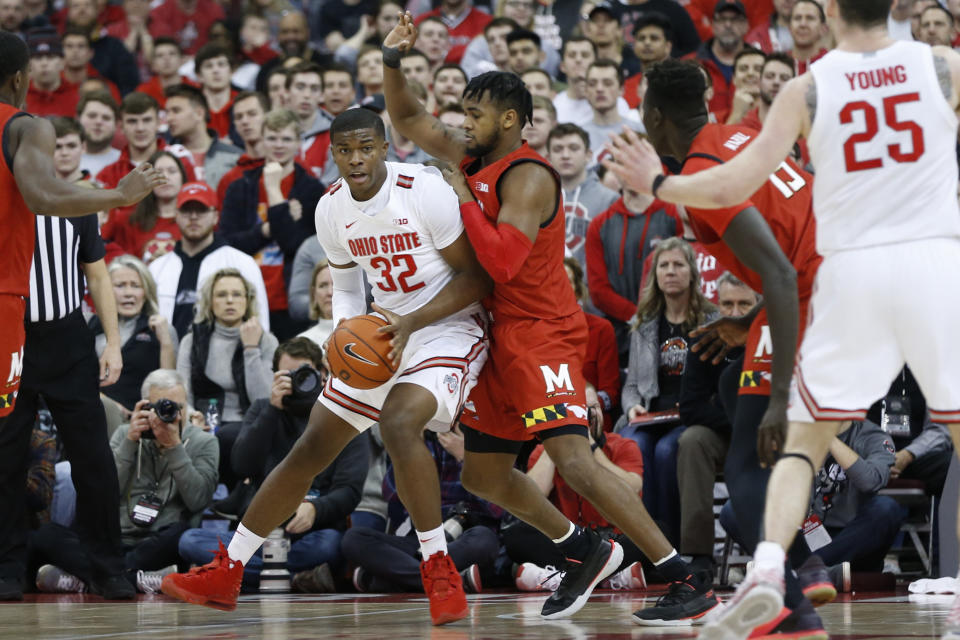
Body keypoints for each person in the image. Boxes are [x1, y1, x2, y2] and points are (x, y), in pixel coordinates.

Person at [381, 14, 717, 626]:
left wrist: (460, 197)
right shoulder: (470, 155)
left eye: (475, 114)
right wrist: (391, 62)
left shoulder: (530, 175)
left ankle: (682, 576)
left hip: (541, 332)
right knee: (484, 474)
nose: (463, 123)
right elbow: (407, 120)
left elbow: (505, 263)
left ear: (508, 119)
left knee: (575, 459)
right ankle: (584, 550)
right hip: (498, 336)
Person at [603, 28, 945, 630]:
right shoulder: (735, 136)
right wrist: (749, 325)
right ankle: (794, 590)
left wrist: (780, 391)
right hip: (845, 273)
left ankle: (793, 592)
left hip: (821, 290)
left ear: (655, 120)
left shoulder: (710, 176)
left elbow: (783, 276)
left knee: (749, 451)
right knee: (743, 404)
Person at [160, 107, 491, 627]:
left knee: (400, 424)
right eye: (345, 150)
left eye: (366, 147)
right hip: (385, 333)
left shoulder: (424, 189)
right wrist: (344, 334)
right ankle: (228, 569)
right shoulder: (331, 207)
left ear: (384, 147)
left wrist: (407, 322)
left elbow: (476, 280)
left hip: (448, 327)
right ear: (332, 154)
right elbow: (345, 287)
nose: (356, 158)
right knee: (310, 445)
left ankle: (438, 567)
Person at [0, 31, 161, 601]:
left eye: (65, 149)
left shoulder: (78, 203)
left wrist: (111, 343)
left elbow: (96, 273)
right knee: (7, 453)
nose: (56, 155)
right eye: (52, 148)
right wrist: (120, 194)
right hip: (15, 328)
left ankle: (106, 564)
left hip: (66, 334)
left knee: (92, 454)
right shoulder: (34, 183)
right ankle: (9, 567)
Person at [178, 337, 368, 591]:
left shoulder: (343, 417)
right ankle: (293, 580)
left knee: (331, 545)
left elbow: (350, 489)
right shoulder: (261, 409)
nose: (297, 381)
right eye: (287, 375)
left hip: (311, 534)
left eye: (304, 373)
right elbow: (242, 466)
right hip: (257, 534)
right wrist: (272, 410)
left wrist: (316, 509)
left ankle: (234, 575)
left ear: (322, 373)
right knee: (190, 540)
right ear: (275, 376)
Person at [32, 369, 219, 595]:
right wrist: (130, 442)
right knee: (46, 534)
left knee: (181, 534)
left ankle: (91, 579)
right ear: (143, 406)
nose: (167, 414)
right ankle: (133, 579)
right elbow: (102, 493)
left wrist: (174, 447)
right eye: (158, 407)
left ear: (186, 407)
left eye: (175, 407)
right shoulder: (124, 434)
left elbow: (197, 499)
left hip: (159, 541)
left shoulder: (204, 442)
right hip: (115, 540)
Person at [617, 238, 718, 544]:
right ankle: (641, 544)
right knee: (633, 445)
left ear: (692, 273)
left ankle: (670, 542)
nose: (671, 272)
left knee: (665, 452)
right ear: (656, 275)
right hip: (652, 414)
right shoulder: (644, 324)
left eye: (678, 264)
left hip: (690, 414)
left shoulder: (712, 320)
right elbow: (632, 385)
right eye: (664, 266)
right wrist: (632, 407)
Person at [341, 423, 499, 595]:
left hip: (464, 537)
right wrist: (410, 450)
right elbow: (393, 495)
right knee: (354, 538)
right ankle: (446, 580)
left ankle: (391, 578)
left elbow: (497, 509)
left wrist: (465, 458)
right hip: (423, 537)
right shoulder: (421, 439)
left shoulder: (482, 436)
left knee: (484, 540)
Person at [675, 271, 757, 581]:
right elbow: (691, 409)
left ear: (759, 305)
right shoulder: (703, 339)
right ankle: (698, 555)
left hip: (770, 437)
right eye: (727, 305)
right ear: (717, 306)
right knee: (691, 440)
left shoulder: (775, 339)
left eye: (744, 305)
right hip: (727, 436)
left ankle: (792, 549)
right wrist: (740, 421)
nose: (735, 313)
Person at [221, 108, 324, 339]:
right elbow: (227, 244)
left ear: (299, 142)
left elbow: (297, 247)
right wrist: (268, 228)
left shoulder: (312, 190)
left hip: (290, 302)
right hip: (245, 298)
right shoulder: (240, 187)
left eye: (286, 139)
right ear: (262, 140)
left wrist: (273, 192)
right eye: (272, 138)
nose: (279, 145)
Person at [176, 267, 278, 487]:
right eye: (222, 295)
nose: (230, 301)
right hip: (202, 426)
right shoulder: (192, 341)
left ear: (247, 300)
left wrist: (251, 348)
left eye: (237, 294)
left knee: (232, 437)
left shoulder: (266, 341)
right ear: (210, 302)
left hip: (249, 427)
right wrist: (192, 416)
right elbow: (182, 393)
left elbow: (264, 399)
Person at [150, 181, 269, 339]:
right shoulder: (157, 268)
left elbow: (259, 321)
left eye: (201, 210)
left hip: (226, 360)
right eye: (187, 210)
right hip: (166, 359)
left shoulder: (242, 263)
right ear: (176, 216)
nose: (193, 217)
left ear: (215, 216)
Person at [585, 174, 680, 365]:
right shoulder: (600, 224)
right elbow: (598, 291)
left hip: (671, 329)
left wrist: (657, 318)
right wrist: (640, 317)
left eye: (633, 164)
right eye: (622, 165)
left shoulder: (673, 214)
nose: (629, 171)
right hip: (621, 336)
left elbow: (688, 271)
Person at [93, 255, 179, 413]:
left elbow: (170, 388)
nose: (128, 293)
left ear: (146, 292)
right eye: (120, 285)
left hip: (144, 419)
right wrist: (112, 407)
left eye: (135, 286)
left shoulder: (161, 328)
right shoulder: (90, 325)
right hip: (96, 413)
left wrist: (165, 342)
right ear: (105, 291)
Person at [547, 123, 618, 268]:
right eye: (558, 149)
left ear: (588, 155)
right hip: (549, 285)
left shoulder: (609, 199)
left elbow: (613, 253)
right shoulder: (539, 198)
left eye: (573, 148)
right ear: (548, 157)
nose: (565, 155)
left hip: (591, 287)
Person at [101, 150, 189, 264]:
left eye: (172, 171)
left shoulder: (193, 220)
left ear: (183, 177)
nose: (166, 176)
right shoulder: (127, 222)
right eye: (158, 172)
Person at [564, 258, 618, 432]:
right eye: (553, 282)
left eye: (566, 281)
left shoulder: (601, 329)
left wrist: (581, 407)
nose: (559, 288)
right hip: (544, 424)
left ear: (578, 291)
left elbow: (611, 394)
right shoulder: (535, 333)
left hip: (590, 424)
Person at [165, 83, 243, 191]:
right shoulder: (164, 158)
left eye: (176, 111)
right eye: (167, 112)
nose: (169, 118)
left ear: (199, 114)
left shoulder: (235, 157)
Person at [216, 91, 268, 206]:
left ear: (267, 116)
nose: (244, 121)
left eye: (252, 114)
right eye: (239, 117)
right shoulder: (229, 180)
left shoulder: (292, 168)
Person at [25, 27, 80, 118]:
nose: (44, 63)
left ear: (62, 62)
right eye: (38, 58)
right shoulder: (20, 98)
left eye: (51, 57)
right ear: (29, 64)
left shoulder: (76, 98)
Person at [77, 91, 121, 178]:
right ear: (78, 119)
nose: (98, 122)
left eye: (106, 118)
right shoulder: (61, 160)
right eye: (92, 116)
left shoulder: (125, 163)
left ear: (116, 125)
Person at [297, 260, 335, 350]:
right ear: (314, 294)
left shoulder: (364, 333)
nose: (330, 292)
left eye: (336, 285)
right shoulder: (302, 342)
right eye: (323, 285)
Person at [787, 0, 828, 73]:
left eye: (810, 18)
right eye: (798, 18)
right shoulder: (779, 63)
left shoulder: (830, 62)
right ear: (789, 28)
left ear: (823, 29)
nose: (803, 24)